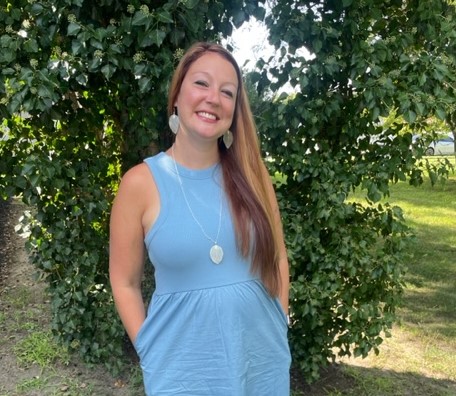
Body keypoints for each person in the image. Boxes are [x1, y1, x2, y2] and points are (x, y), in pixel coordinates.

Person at [109, 41, 291, 395]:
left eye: (227, 92)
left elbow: (278, 256)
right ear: (177, 95)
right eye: (201, 83)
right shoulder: (140, 184)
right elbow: (124, 281)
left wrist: (280, 320)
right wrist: (148, 347)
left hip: (262, 361)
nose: (213, 98)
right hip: (182, 371)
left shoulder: (254, 177)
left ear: (234, 110)